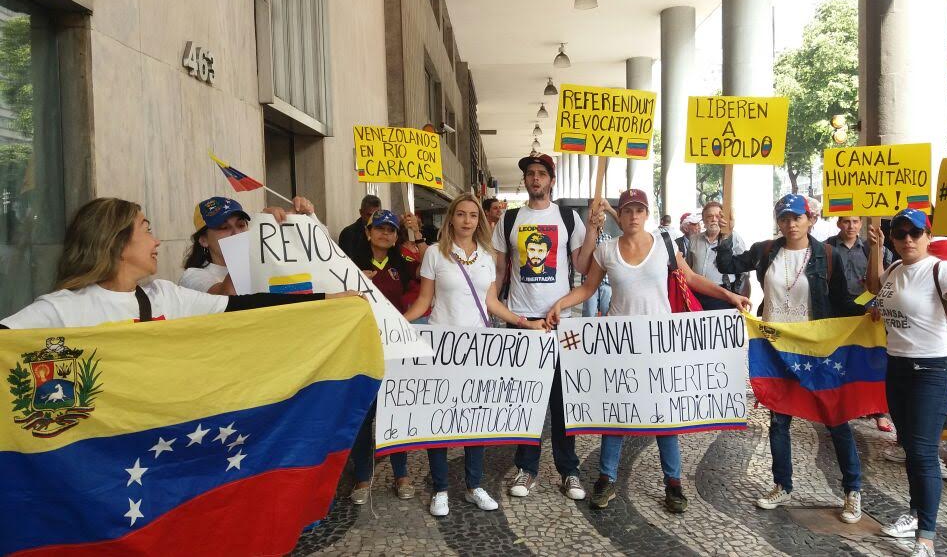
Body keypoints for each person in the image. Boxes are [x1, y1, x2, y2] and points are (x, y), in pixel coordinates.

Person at [547, 189, 750, 512]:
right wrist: (560, 303)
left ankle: (673, 482)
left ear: (647, 213)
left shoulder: (665, 245)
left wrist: (730, 297)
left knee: (664, 416)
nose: (633, 216)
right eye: (627, 210)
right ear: (621, 214)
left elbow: (692, 278)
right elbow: (587, 288)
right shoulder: (607, 251)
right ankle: (606, 478)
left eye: (639, 210)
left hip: (659, 346)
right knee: (614, 414)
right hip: (619, 346)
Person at [715, 193, 866, 524]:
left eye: (797, 217)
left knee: (836, 419)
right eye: (784, 218)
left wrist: (869, 310)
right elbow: (726, 266)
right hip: (776, 351)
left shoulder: (827, 255)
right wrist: (726, 236)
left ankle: (852, 490)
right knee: (779, 422)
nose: (790, 223)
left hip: (816, 351)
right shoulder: (766, 251)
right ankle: (782, 484)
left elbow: (842, 300)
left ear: (809, 219)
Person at [1, 198, 355, 330]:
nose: (157, 242)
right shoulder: (61, 310)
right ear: (117, 242)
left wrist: (329, 301)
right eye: (147, 230)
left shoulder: (165, 297)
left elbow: (245, 305)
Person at [404, 193, 546, 517]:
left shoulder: (485, 256)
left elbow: (492, 303)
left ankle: (474, 485)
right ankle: (440, 489)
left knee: (475, 416)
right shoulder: (434, 256)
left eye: (472, 215)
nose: (467, 220)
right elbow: (424, 301)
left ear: (478, 221)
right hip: (442, 345)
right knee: (439, 418)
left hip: (478, 348)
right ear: (451, 218)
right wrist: (397, 322)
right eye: (461, 214)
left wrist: (527, 323)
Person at [866, 209, 947, 557]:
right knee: (911, 450)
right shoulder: (893, 269)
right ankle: (914, 513)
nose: (907, 239)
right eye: (900, 234)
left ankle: (927, 536)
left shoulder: (941, 269)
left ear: (928, 236)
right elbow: (876, 288)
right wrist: (876, 248)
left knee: (923, 453)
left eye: (915, 233)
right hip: (899, 367)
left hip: (934, 370)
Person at [493, 153, 589, 501]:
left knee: (566, 402)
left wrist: (592, 228)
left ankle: (570, 470)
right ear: (526, 181)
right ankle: (526, 468)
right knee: (527, 399)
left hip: (562, 325)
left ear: (551, 181)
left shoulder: (567, 217)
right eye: (531, 174)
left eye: (541, 174)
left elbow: (580, 263)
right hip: (522, 322)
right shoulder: (509, 219)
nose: (536, 179)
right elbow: (500, 272)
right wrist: (495, 312)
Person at [347, 209, 424, 505]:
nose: (385, 234)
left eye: (391, 230)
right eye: (379, 228)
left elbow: (426, 269)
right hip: (362, 350)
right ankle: (363, 476)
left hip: (395, 351)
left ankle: (401, 473)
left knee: (396, 411)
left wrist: (417, 233)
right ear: (368, 232)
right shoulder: (351, 264)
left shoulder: (402, 263)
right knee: (364, 416)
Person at [824, 215, 893, 432]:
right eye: (846, 222)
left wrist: (878, 251)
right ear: (838, 224)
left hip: (868, 312)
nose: (851, 226)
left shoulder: (872, 247)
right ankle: (839, 406)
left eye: (855, 222)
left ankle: (878, 411)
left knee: (871, 359)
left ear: (861, 224)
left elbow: (890, 275)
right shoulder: (827, 248)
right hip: (838, 311)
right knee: (839, 359)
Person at [180, 196, 315, 294]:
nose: (236, 233)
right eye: (224, 227)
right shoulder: (193, 276)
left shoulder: (260, 264)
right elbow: (228, 296)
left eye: (241, 225)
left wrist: (301, 218)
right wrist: (261, 234)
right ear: (203, 240)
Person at [686, 201, 749, 310]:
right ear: (703, 220)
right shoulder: (694, 240)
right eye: (710, 216)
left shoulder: (734, 238)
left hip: (723, 295)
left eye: (718, 216)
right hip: (697, 295)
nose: (714, 219)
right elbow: (689, 267)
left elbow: (745, 270)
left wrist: (742, 295)